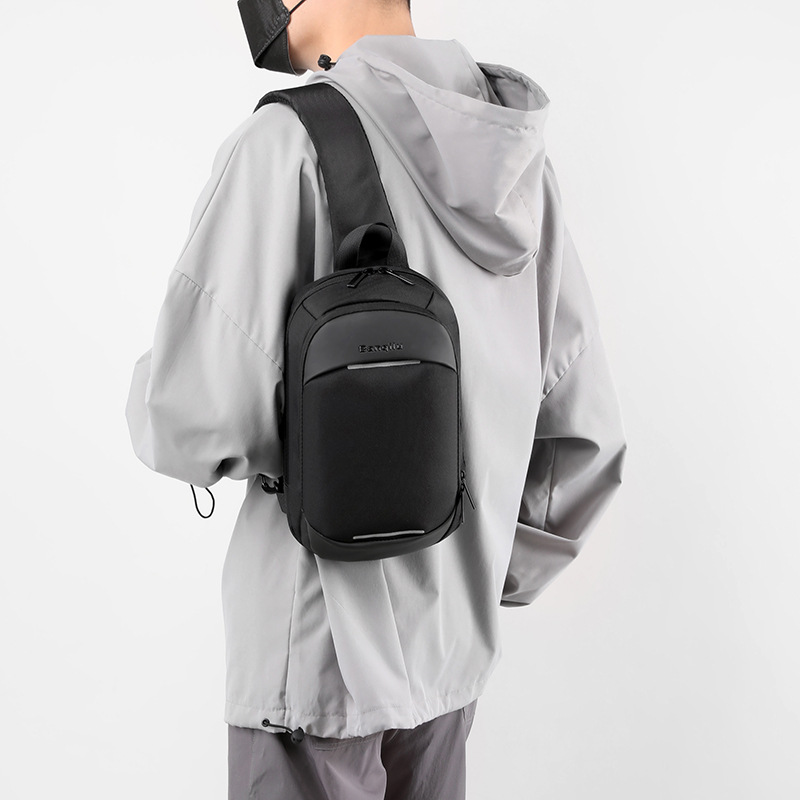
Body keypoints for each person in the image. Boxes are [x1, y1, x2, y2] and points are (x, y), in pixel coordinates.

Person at [124, 0, 628, 797]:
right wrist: (467, 578)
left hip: (313, 669)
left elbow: (190, 417)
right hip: (448, 668)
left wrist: (152, 385)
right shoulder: (519, 162)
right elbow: (582, 435)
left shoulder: (286, 144)